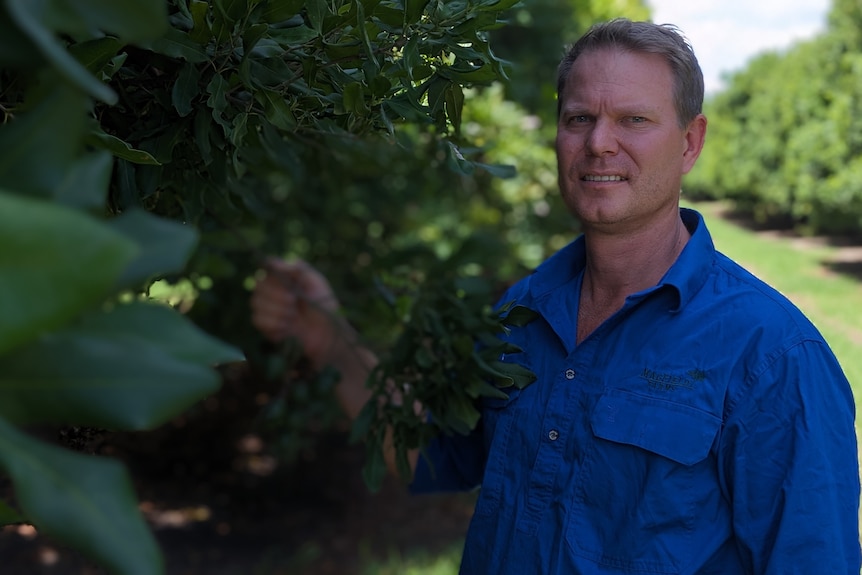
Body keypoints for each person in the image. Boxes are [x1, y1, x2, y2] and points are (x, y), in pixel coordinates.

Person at [251, 18, 861, 574]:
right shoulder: (521, 311)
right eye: (579, 119)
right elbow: (427, 454)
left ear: (690, 142)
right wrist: (330, 339)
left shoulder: (774, 356)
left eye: (634, 120)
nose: (599, 143)